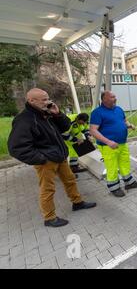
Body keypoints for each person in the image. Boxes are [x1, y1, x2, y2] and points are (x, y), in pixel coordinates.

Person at [7, 88, 96, 228]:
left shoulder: (47, 114)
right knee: (48, 189)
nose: (47, 101)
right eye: (43, 99)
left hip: (59, 156)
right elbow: (16, 147)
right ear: (31, 100)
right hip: (46, 161)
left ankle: (77, 203)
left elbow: (66, 126)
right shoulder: (24, 119)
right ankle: (49, 218)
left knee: (70, 180)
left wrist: (58, 113)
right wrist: (41, 158)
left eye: (48, 98)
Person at [89, 91, 137, 197]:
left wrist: (129, 125)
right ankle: (114, 188)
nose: (115, 98)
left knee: (125, 163)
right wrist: (108, 142)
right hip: (108, 146)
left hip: (122, 143)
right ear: (104, 99)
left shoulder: (119, 109)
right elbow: (93, 131)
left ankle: (129, 182)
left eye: (115, 96)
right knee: (112, 167)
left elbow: (123, 121)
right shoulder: (97, 112)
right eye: (112, 97)